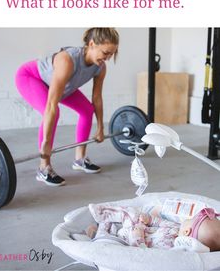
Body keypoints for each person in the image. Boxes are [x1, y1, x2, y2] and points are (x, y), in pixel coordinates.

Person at [15, 28, 119, 187]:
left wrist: (100, 128)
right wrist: (47, 142)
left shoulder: (100, 67)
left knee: (86, 109)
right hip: (31, 78)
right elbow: (51, 105)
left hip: (63, 86)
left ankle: (80, 159)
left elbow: (96, 98)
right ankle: (44, 167)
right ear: (91, 44)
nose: (108, 58)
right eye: (105, 53)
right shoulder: (67, 60)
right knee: (52, 113)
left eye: (111, 54)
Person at [87, 204, 220, 251]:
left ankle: (102, 228)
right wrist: (149, 219)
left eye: (190, 220)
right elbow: (160, 222)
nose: (186, 219)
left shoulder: (170, 248)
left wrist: (137, 236)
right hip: (138, 225)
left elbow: (144, 253)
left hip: (128, 240)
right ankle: (104, 215)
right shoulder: (176, 228)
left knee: (110, 241)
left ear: (187, 231)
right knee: (133, 213)